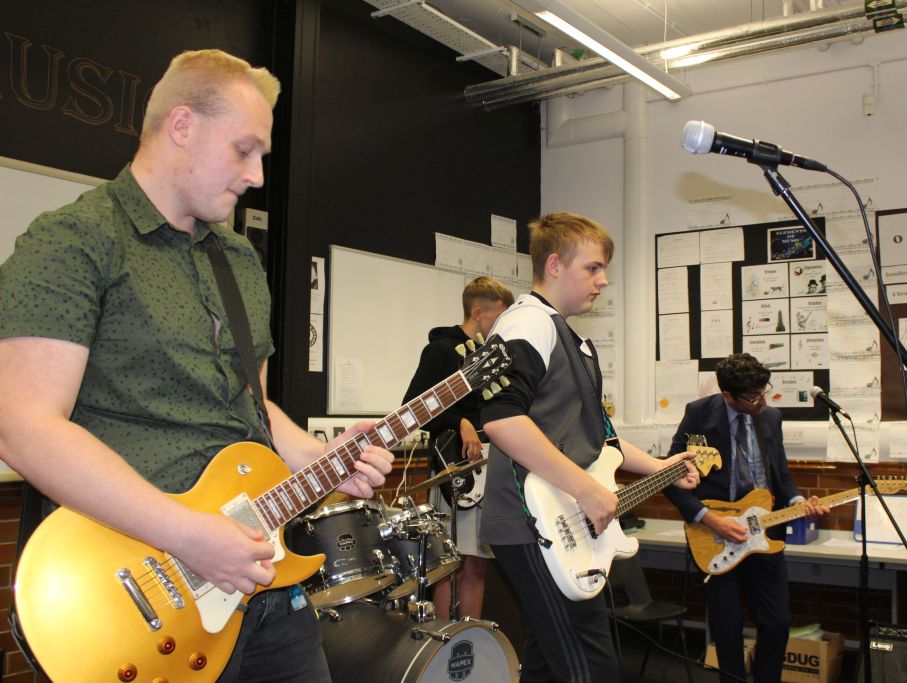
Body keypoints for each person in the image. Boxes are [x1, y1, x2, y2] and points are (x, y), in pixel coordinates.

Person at [0, 49, 393, 682]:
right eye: (244, 150)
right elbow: (22, 426)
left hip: (264, 583)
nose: (257, 175)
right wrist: (189, 534)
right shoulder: (74, 240)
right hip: (145, 594)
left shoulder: (237, 259)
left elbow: (251, 409)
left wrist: (322, 459)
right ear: (181, 125)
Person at [479, 211, 701, 682]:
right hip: (532, 521)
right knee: (590, 665)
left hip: (555, 521)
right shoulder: (527, 324)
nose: (603, 281)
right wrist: (585, 489)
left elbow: (602, 441)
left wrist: (663, 466)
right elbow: (501, 420)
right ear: (555, 265)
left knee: (546, 662)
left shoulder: (568, 338)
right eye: (593, 268)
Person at [663, 353, 828, 683]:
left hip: (765, 534)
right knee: (727, 628)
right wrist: (710, 519)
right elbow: (669, 477)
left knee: (777, 622)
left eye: (763, 391)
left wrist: (798, 501)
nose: (761, 401)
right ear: (728, 395)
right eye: (753, 396)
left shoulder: (770, 417)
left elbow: (781, 476)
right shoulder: (700, 416)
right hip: (717, 536)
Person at [401, 275, 514, 619]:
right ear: (477, 312)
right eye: (498, 316)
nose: (502, 325)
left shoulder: (490, 355)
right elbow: (412, 410)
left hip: (488, 470)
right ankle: (443, 640)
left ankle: (471, 636)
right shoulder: (440, 351)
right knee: (452, 565)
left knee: (478, 565)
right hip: (455, 473)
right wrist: (458, 421)